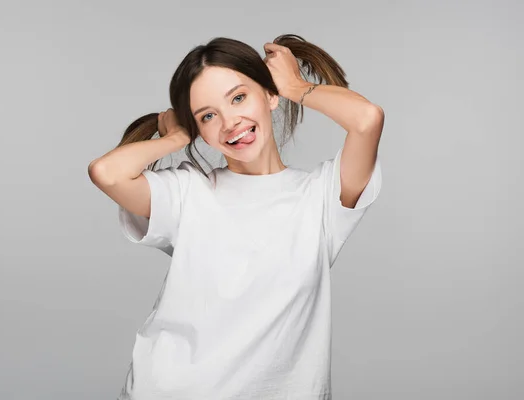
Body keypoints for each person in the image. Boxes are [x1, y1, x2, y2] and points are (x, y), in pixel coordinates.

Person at [88, 34, 384, 400]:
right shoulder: (187, 191)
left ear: (269, 95)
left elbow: (367, 119)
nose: (230, 122)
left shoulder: (321, 197)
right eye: (208, 116)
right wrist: (176, 138)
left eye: (239, 97)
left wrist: (295, 85)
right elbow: (107, 172)